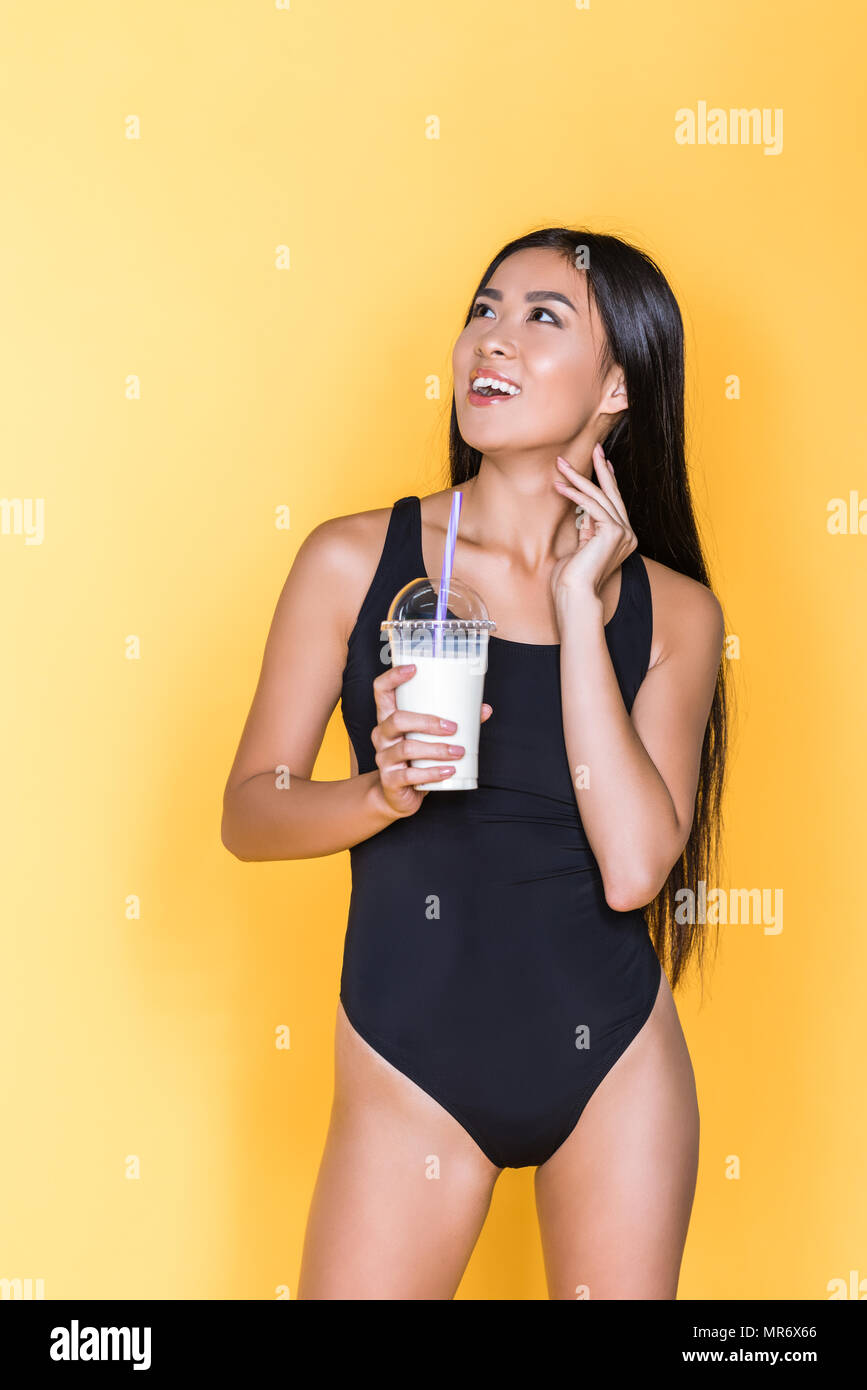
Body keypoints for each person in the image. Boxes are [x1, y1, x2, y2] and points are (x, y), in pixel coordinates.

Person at [221, 227, 730, 1300]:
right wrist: (375, 792)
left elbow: (637, 871)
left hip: (615, 1068)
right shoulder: (354, 560)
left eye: (543, 319)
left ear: (619, 386)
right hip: (412, 1063)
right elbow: (249, 812)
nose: (490, 341)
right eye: (485, 310)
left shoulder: (673, 613)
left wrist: (579, 620)